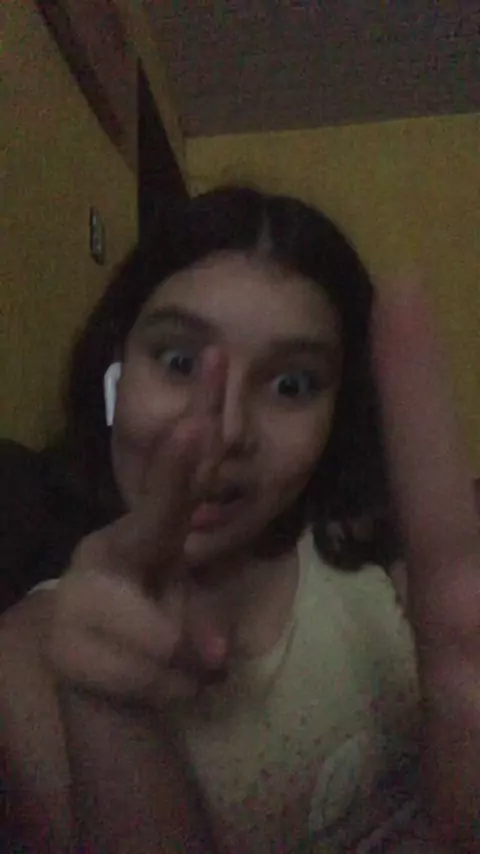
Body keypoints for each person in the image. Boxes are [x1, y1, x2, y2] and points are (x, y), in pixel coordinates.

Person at [1, 187, 478, 853]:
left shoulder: (378, 570)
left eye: (292, 385)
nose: (224, 431)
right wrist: (111, 716)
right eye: (178, 362)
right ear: (114, 370)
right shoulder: (27, 665)